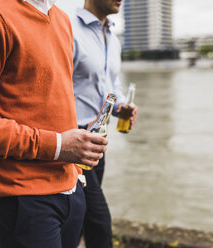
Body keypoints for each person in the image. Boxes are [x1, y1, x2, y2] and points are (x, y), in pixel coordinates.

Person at [0, 0, 109, 247]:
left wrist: (73, 171)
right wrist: (58, 145)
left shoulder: (61, 18)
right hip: (22, 196)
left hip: (71, 188)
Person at [71, 0, 138, 247]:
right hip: (73, 140)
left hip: (98, 140)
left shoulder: (113, 37)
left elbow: (112, 84)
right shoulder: (68, 29)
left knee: (78, 218)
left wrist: (121, 106)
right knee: (99, 221)